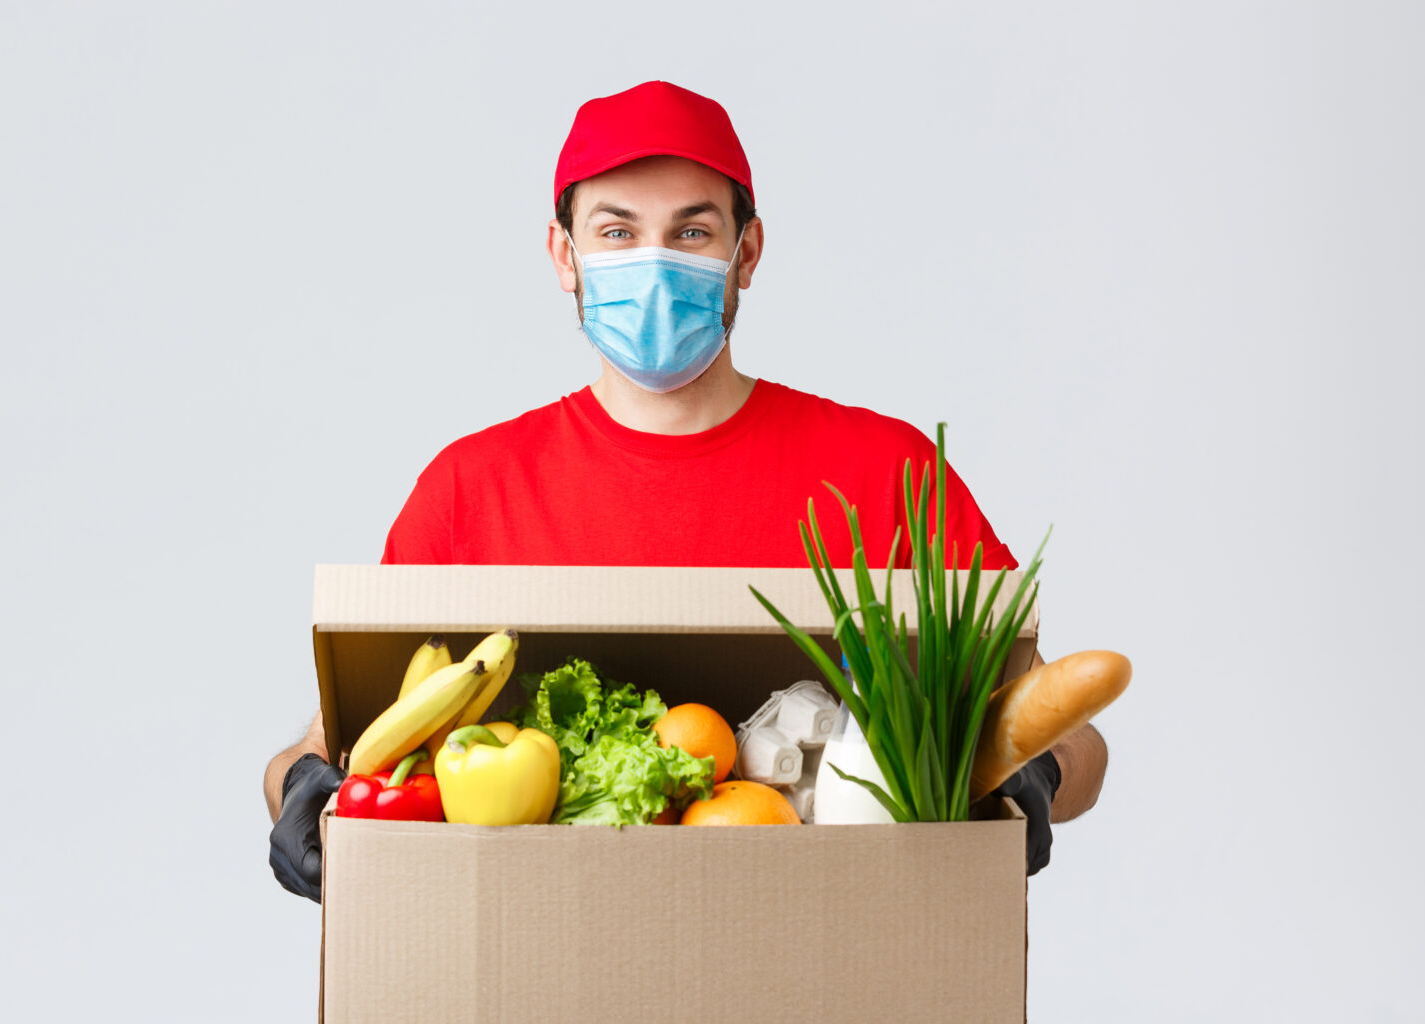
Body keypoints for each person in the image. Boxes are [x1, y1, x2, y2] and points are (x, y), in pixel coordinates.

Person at [265, 81, 1108, 901]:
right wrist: (300, 786)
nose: (655, 266)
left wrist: (1036, 777)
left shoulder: (886, 473)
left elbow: (1075, 742)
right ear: (566, 256)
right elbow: (345, 742)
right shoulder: (470, 488)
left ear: (747, 253)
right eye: (618, 232)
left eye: (693, 232)